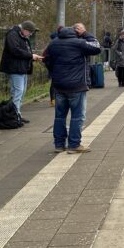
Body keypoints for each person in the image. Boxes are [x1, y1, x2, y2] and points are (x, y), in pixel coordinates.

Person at [44, 23, 101, 153]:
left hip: (59, 85)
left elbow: (46, 60)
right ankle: (74, 145)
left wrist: (55, 74)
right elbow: (97, 47)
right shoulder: (79, 43)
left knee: (59, 116)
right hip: (76, 85)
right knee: (77, 116)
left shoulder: (53, 44)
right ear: (77, 32)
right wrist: (86, 34)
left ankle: (59, 144)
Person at [0, 20, 42, 125]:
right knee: (18, 92)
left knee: (20, 92)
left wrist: (32, 57)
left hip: (22, 68)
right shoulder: (13, 35)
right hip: (15, 68)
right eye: (30, 32)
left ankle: (17, 114)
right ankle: (15, 116)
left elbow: (24, 52)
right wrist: (31, 56)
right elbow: (15, 50)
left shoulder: (22, 37)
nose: (31, 34)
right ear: (24, 29)